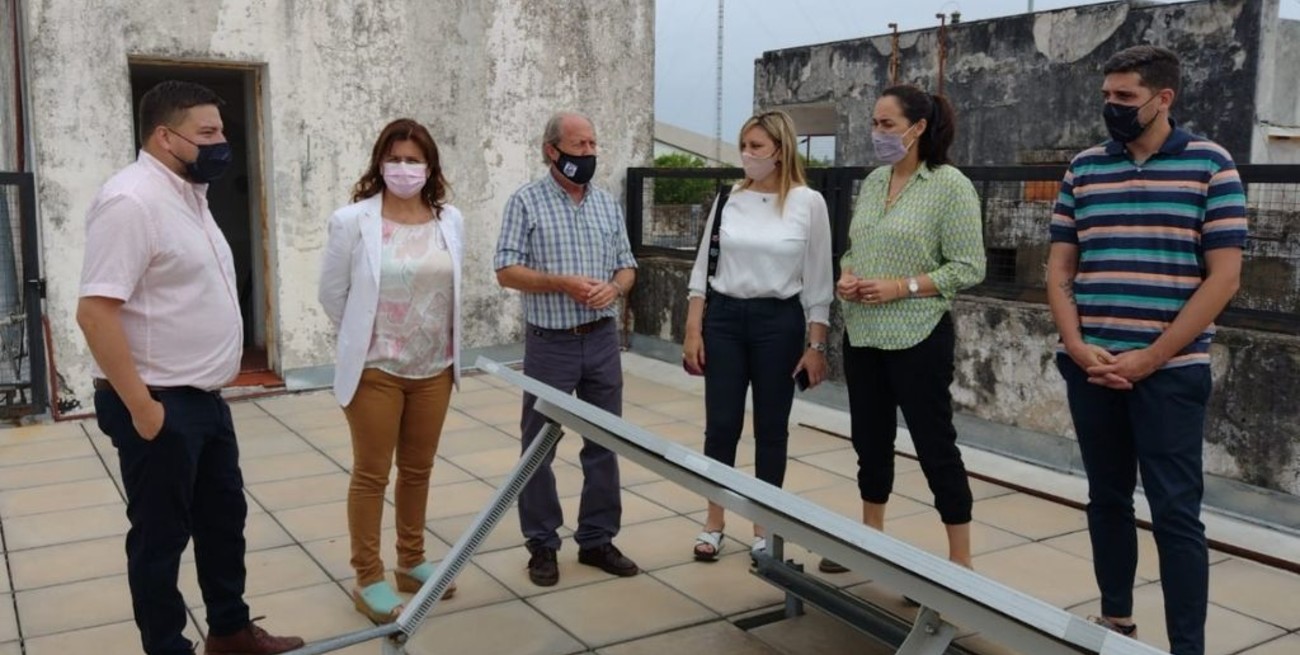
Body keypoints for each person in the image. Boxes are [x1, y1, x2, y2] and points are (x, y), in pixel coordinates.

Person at [77, 80, 302, 655]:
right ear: (164, 136)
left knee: (223, 521)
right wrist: (144, 410)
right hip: (158, 402)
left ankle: (230, 632)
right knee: (161, 539)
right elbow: (95, 312)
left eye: (221, 131)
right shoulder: (131, 202)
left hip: (203, 399)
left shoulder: (189, 196)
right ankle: (167, 646)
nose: (221, 143)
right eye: (208, 133)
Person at [1046, 45, 1246, 655]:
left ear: (1164, 99)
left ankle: (1188, 647)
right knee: (1106, 500)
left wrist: (1151, 357)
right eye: (1107, 95)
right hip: (1092, 368)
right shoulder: (1084, 168)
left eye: (1125, 97)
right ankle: (1116, 620)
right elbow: (1059, 269)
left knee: (1175, 513)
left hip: (1171, 374)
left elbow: (1223, 279)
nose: (1112, 106)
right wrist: (1077, 345)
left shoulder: (1211, 165)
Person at [832, 85, 985, 575]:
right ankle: (870, 538)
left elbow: (969, 266)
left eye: (887, 124)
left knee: (934, 445)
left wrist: (903, 287)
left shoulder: (949, 185)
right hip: (863, 334)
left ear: (917, 128)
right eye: (874, 123)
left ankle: (960, 560)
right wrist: (847, 275)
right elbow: (856, 248)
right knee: (869, 443)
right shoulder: (875, 181)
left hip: (918, 336)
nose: (877, 133)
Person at [318, 118, 465, 623]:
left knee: (418, 470)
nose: (404, 168)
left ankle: (411, 560)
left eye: (413, 160)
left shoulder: (450, 220)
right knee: (371, 474)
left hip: (434, 367)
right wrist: (368, 334)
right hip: (376, 369)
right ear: (380, 163)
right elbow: (332, 294)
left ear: (430, 167)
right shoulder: (352, 221)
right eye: (395, 159)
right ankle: (368, 576)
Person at [493, 111, 640, 587]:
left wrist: (614, 288)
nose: (589, 153)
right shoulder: (526, 202)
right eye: (579, 145)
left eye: (593, 144)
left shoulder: (606, 204)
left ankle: (597, 539)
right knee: (539, 447)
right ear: (551, 151)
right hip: (550, 344)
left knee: (605, 443)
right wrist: (561, 283)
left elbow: (627, 266)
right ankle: (542, 544)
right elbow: (506, 270)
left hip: (601, 340)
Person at [682, 110, 833, 561]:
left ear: (780, 151)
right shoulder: (729, 198)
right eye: (743, 146)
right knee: (721, 425)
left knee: (771, 428)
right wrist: (693, 329)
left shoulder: (808, 203)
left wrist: (816, 345)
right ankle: (714, 521)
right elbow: (703, 270)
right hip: (725, 318)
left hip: (778, 322)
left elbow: (819, 281)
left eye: (756, 147)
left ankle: (765, 526)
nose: (747, 155)